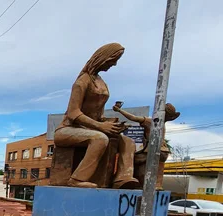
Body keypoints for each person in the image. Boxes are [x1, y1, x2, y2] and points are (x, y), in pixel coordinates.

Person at [54, 43, 139, 189]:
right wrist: (100, 126)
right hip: (67, 130)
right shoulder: (82, 81)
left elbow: (97, 115)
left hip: (90, 127)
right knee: (99, 138)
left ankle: (123, 178)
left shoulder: (100, 82)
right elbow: (73, 113)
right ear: (103, 58)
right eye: (113, 59)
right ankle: (77, 179)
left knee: (128, 142)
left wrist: (111, 124)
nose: (114, 63)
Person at [113, 101, 180, 189]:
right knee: (158, 169)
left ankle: (127, 178)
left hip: (151, 150)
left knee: (131, 159)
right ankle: (157, 185)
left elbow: (133, 118)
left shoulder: (151, 121)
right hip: (164, 151)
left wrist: (119, 110)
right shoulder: (163, 124)